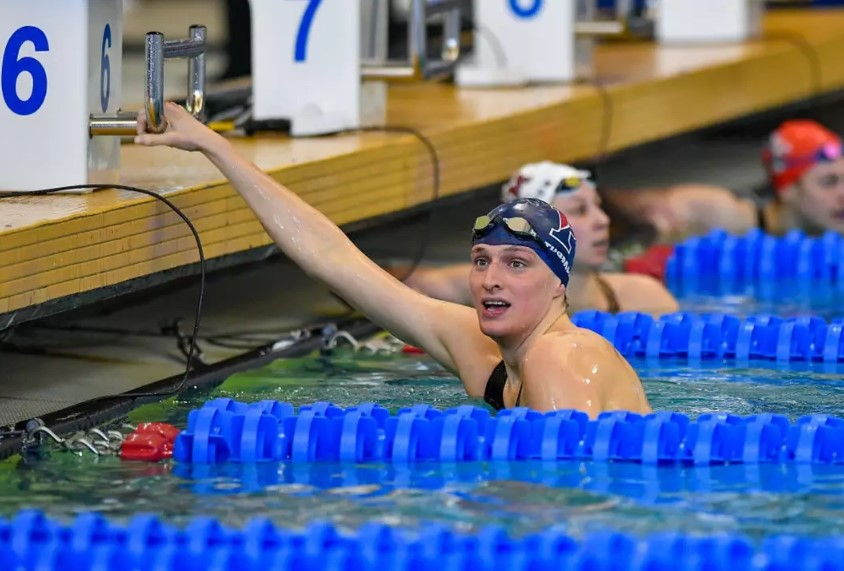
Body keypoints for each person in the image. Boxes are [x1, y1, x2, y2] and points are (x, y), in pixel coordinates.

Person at [134, 103, 651, 417]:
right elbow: (332, 259)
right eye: (481, 260)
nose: (491, 280)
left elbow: (575, 505)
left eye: (517, 263)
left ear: (559, 284)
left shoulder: (558, 359)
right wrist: (213, 146)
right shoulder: (481, 350)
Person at [392, 162, 679, 315]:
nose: (602, 220)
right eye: (580, 210)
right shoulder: (483, 290)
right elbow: (406, 283)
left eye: (598, 206)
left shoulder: (643, 297)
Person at [603, 119, 844, 242]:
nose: (842, 194)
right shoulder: (723, 214)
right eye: (829, 182)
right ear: (788, 188)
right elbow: (614, 201)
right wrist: (653, 221)